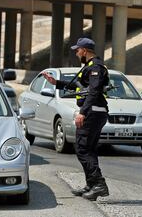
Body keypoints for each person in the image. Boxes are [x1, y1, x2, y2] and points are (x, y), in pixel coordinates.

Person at [42, 37, 110, 201]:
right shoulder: (89, 67)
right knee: (89, 149)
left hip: (93, 111)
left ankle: (99, 184)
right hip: (94, 111)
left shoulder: (96, 68)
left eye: (78, 50)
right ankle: (92, 184)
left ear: (85, 51)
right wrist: (56, 82)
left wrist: (83, 113)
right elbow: (80, 87)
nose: (76, 52)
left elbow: (93, 92)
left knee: (82, 148)